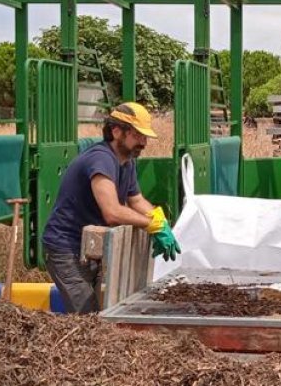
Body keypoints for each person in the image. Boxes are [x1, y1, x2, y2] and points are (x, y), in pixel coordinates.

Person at [41, 102, 181, 313]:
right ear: (116, 131)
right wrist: (151, 224)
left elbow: (136, 200)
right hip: (66, 248)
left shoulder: (127, 161)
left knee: (105, 312)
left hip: (90, 248)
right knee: (87, 316)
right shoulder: (101, 159)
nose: (143, 142)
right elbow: (112, 212)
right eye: (138, 135)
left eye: (145, 137)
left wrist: (159, 220)